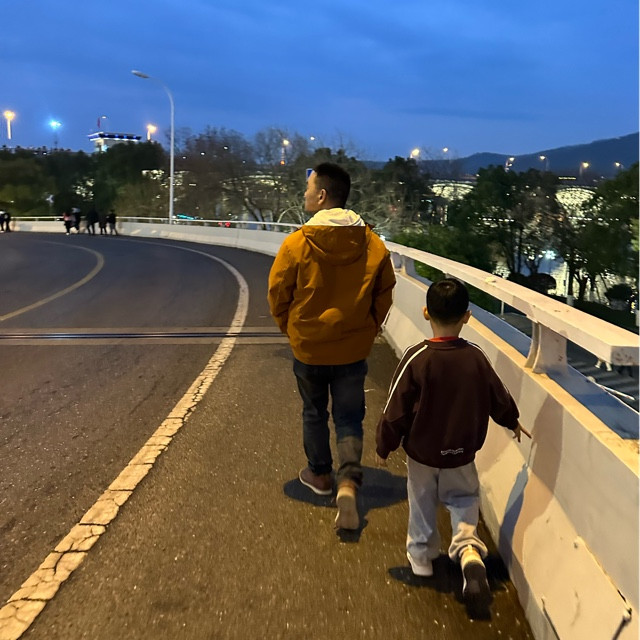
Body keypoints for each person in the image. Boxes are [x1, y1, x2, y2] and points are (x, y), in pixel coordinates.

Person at [375, 278, 530, 613]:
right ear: (467, 317)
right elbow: (498, 395)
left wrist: (384, 445)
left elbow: (395, 408)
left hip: (422, 454)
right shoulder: (475, 357)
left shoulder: (417, 358)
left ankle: (422, 558)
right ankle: (469, 552)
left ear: (425, 312)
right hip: (461, 454)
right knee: (464, 500)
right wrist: (512, 421)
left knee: (421, 502)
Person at [268, 162, 396, 531]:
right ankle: (348, 482)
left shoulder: (296, 243)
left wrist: (292, 329)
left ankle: (320, 475)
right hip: (352, 348)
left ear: (322, 195)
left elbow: (278, 293)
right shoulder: (372, 244)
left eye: (309, 187)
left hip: (309, 347)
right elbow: (384, 293)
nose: (305, 192)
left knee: (314, 412)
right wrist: (368, 329)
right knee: (349, 416)